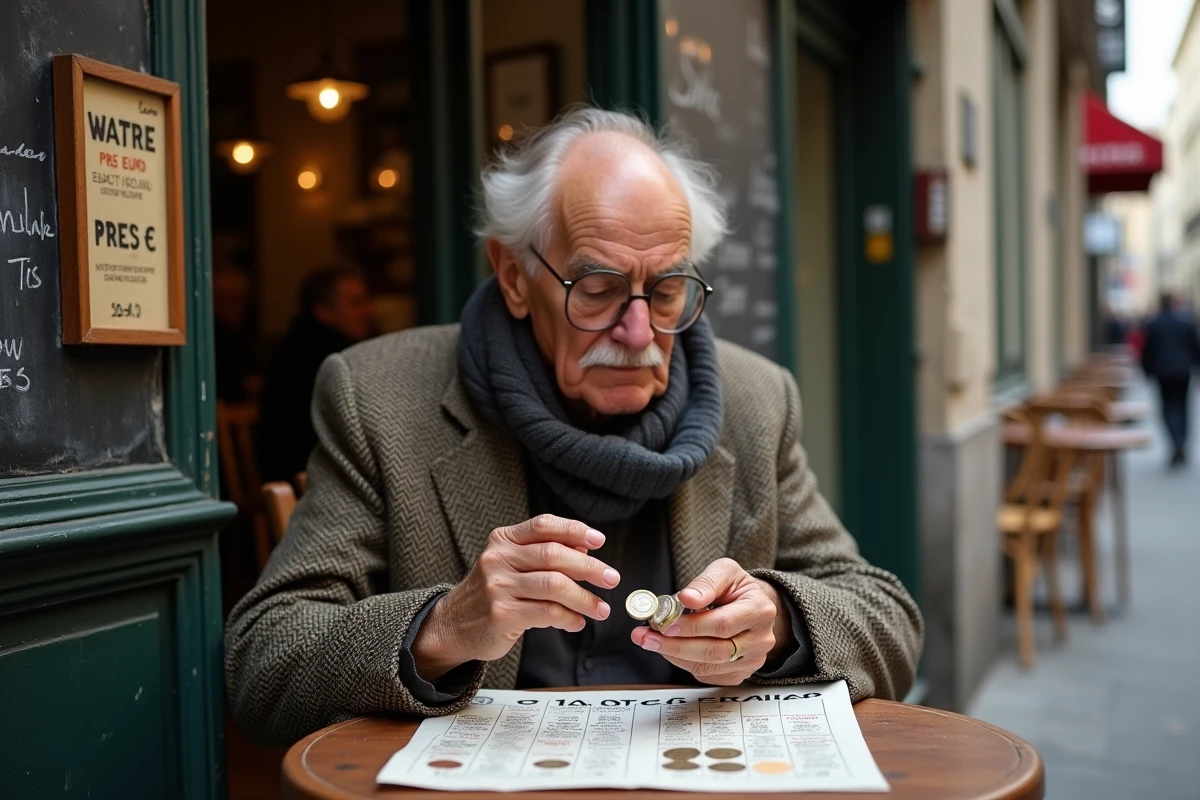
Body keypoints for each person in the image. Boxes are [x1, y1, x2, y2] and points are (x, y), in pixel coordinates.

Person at [226, 108, 923, 746]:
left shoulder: (756, 400)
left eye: (668, 288)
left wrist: (780, 623)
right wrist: (443, 628)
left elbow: (887, 618)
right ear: (513, 276)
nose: (639, 330)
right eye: (598, 289)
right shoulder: (377, 397)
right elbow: (263, 662)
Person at [255, 266, 372, 484]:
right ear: (323, 311)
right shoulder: (326, 358)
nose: (367, 311)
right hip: (310, 482)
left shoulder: (302, 345)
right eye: (356, 303)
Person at [1140, 292, 1200, 467]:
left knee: (1167, 408)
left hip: (1162, 373)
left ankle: (1176, 441)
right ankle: (1181, 441)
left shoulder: (1154, 324)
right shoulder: (1186, 323)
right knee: (1183, 407)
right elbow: (1196, 348)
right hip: (1183, 372)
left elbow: (1147, 352)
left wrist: (1146, 372)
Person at [212, 265, 254, 402]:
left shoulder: (241, 331)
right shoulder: (215, 336)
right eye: (229, 299)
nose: (237, 306)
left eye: (240, 299)